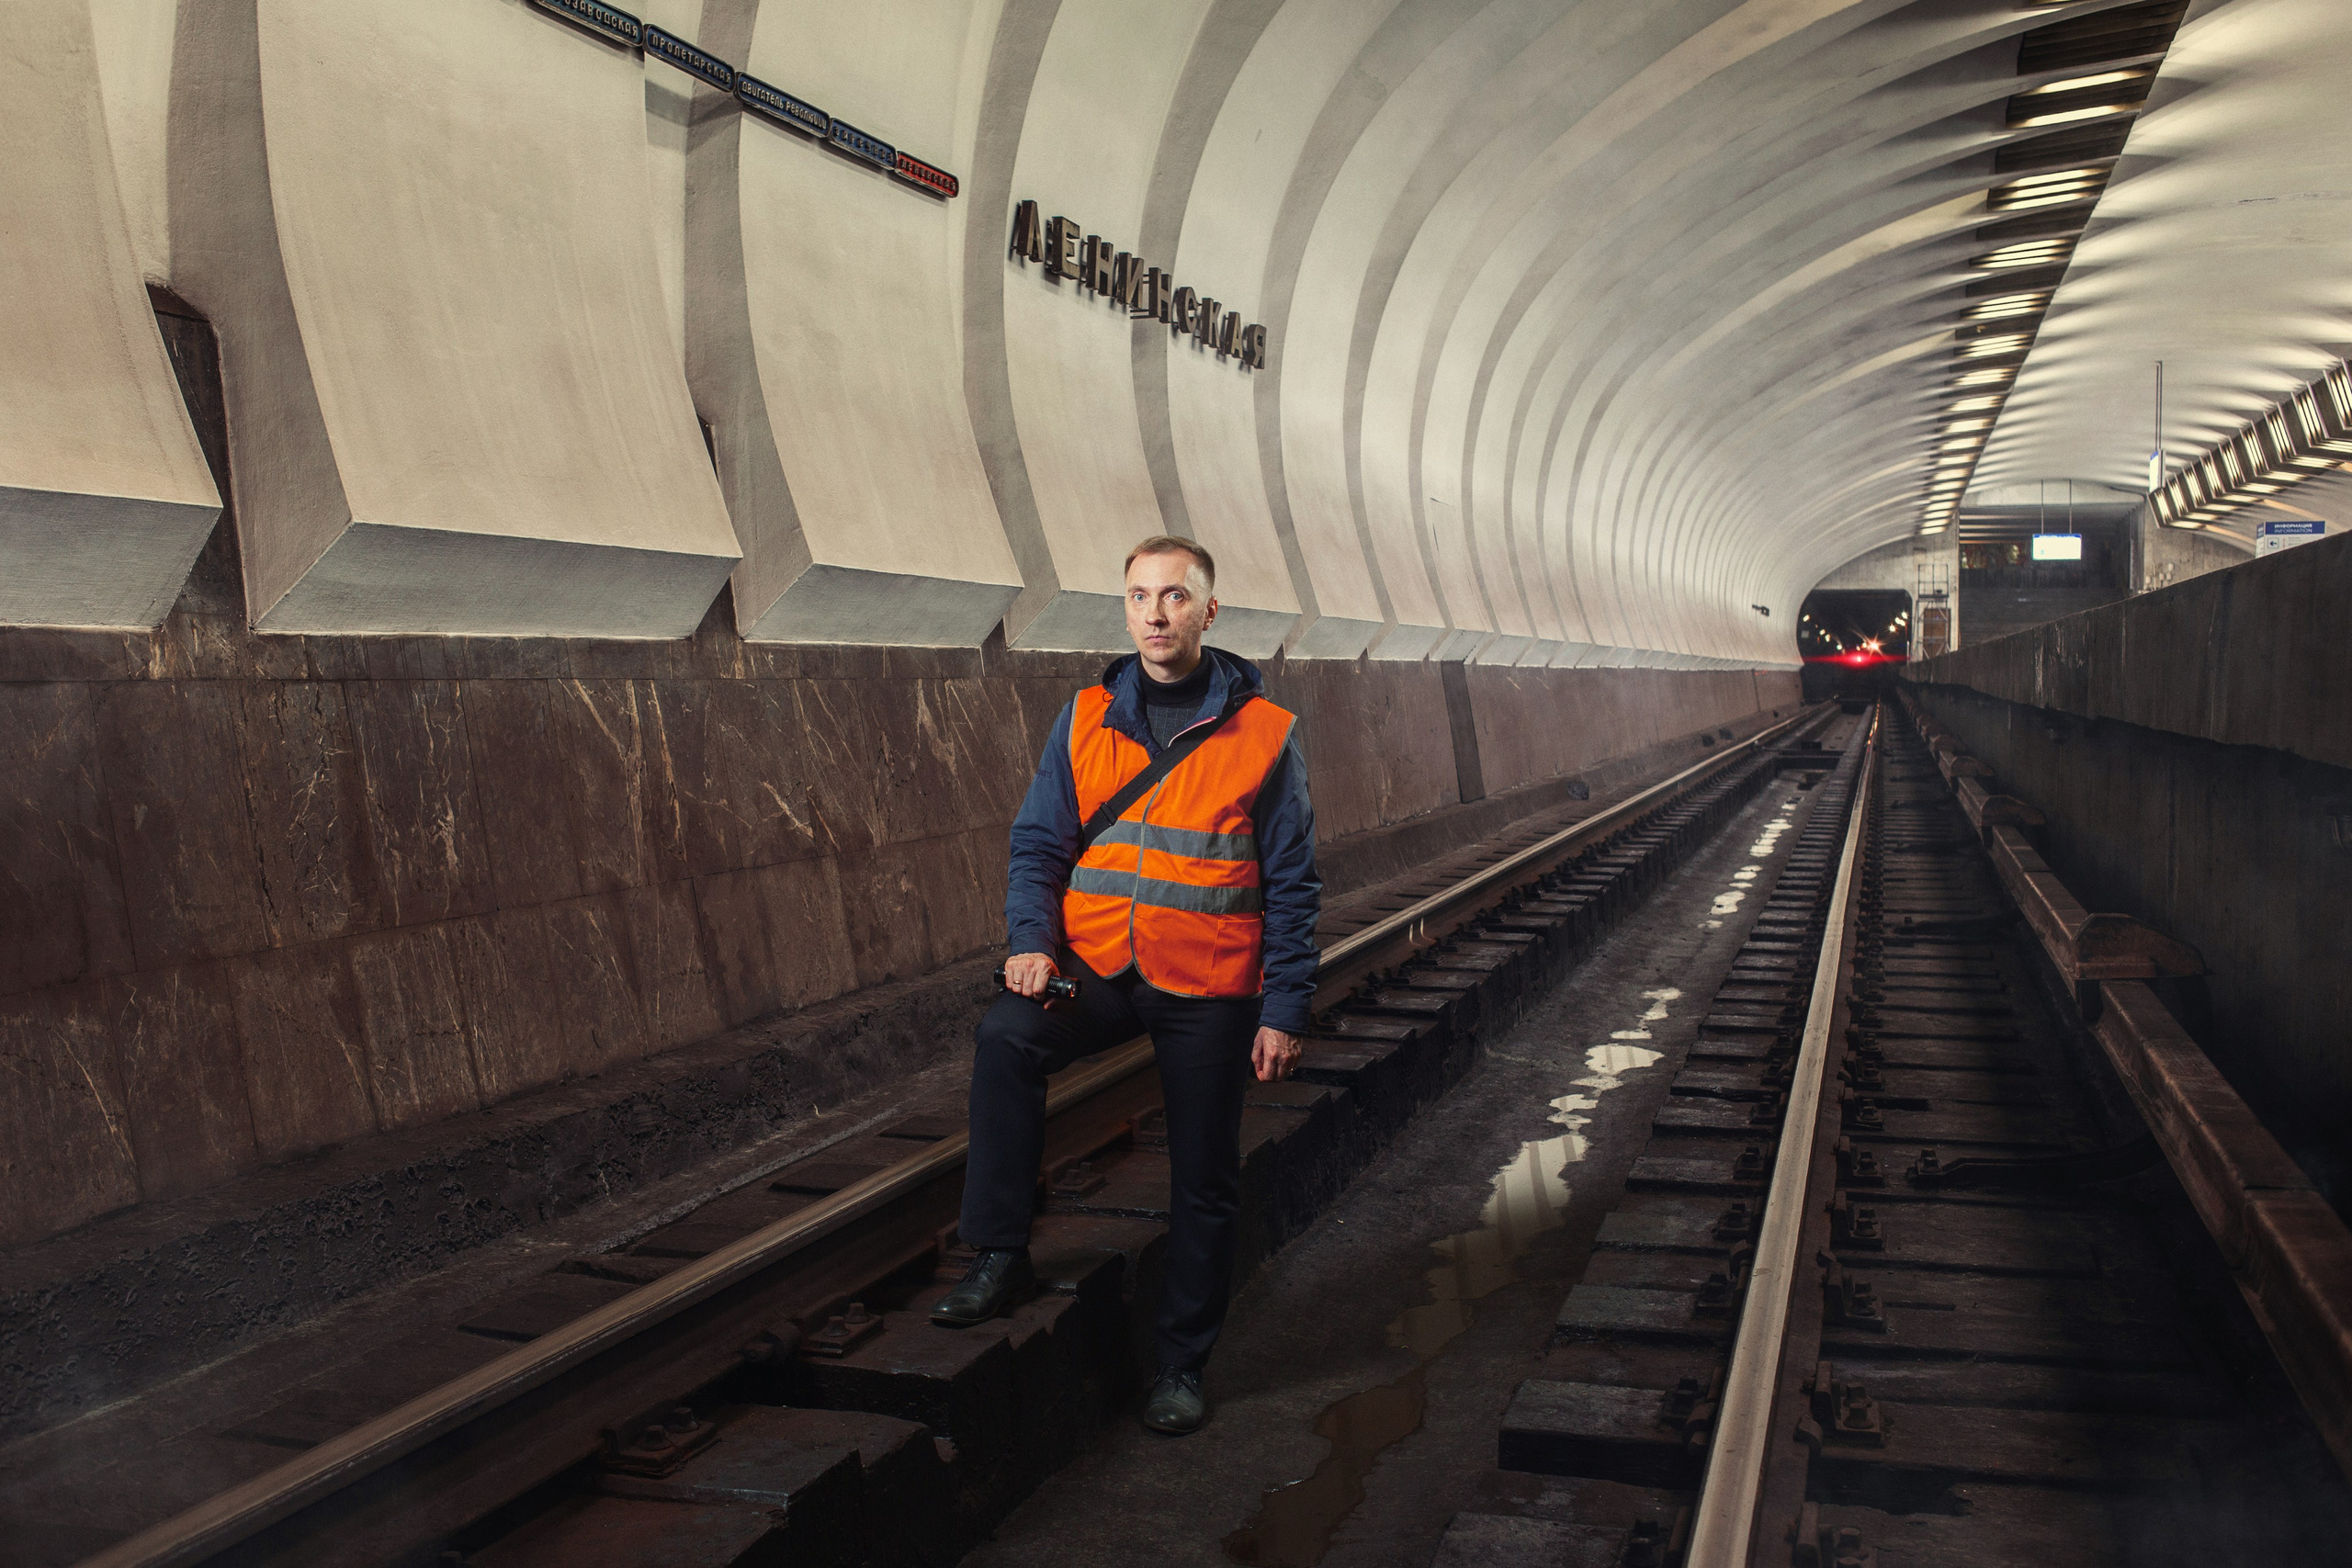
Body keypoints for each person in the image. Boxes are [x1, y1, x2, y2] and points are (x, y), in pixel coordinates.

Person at [931, 534, 1321, 1436]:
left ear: (1208, 612)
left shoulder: (1265, 737)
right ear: (1125, 610)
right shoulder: (1083, 717)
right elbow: (1038, 847)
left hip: (1208, 986)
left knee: (1203, 1173)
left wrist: (1286, 1006)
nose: (1155, 613)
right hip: (1099, 968)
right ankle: (998, 1254)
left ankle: (1181, 1365)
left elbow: (1294, 885)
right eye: (1140, 596)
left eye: (1174, 597)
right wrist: (1032, 941)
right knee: (1007, 1037)